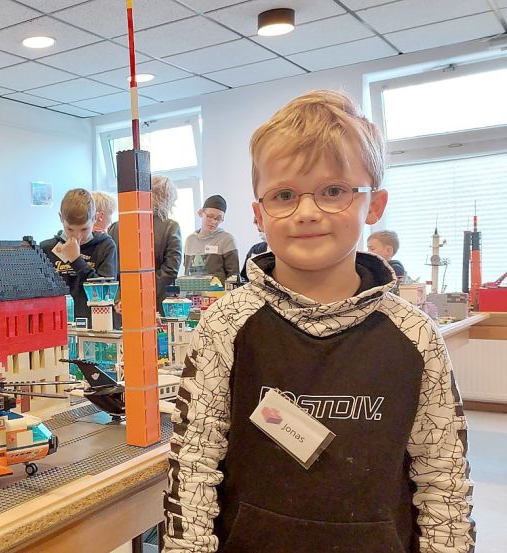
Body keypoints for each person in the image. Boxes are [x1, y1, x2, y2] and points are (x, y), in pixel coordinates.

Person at [164, 90, 473, 552]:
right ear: (259, 215)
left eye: (333, 191)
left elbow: (443, 477)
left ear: (373, 204)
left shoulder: (414, 335)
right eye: (284, 195)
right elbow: (192, 470)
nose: (307, 212)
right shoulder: (225, 326)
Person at [40, 189, 117, 323]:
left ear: (95, 218)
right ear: (61, 219)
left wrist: (76, 261)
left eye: (84, 229)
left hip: (96, 325)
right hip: (59, 324)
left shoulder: (105, 246)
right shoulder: (47, 249)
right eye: (69, 229)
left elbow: (105, 293)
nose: (77, 236)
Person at [109, 175, 183, 312]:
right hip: (156, 305)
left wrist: (120, 297)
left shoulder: (116, 227)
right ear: (168, 199)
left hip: (121, 304)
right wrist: (142, 293)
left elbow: (111, 269)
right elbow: (170, 271)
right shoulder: (171, 227)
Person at [183, 195, 239, 282]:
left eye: (218, 219)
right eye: (209, 216)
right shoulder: (190, 240)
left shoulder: (227, 240)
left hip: (219, 294)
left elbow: (234, 277)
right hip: (193, 294)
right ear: (201, 212)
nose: (213, 222)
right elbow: (187, 273)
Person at [240, 215, 269, 282]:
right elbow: (244, 276)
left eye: (264, 230)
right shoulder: (255, 250)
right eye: (259, 231)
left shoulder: (283, 250)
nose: (262, 233)